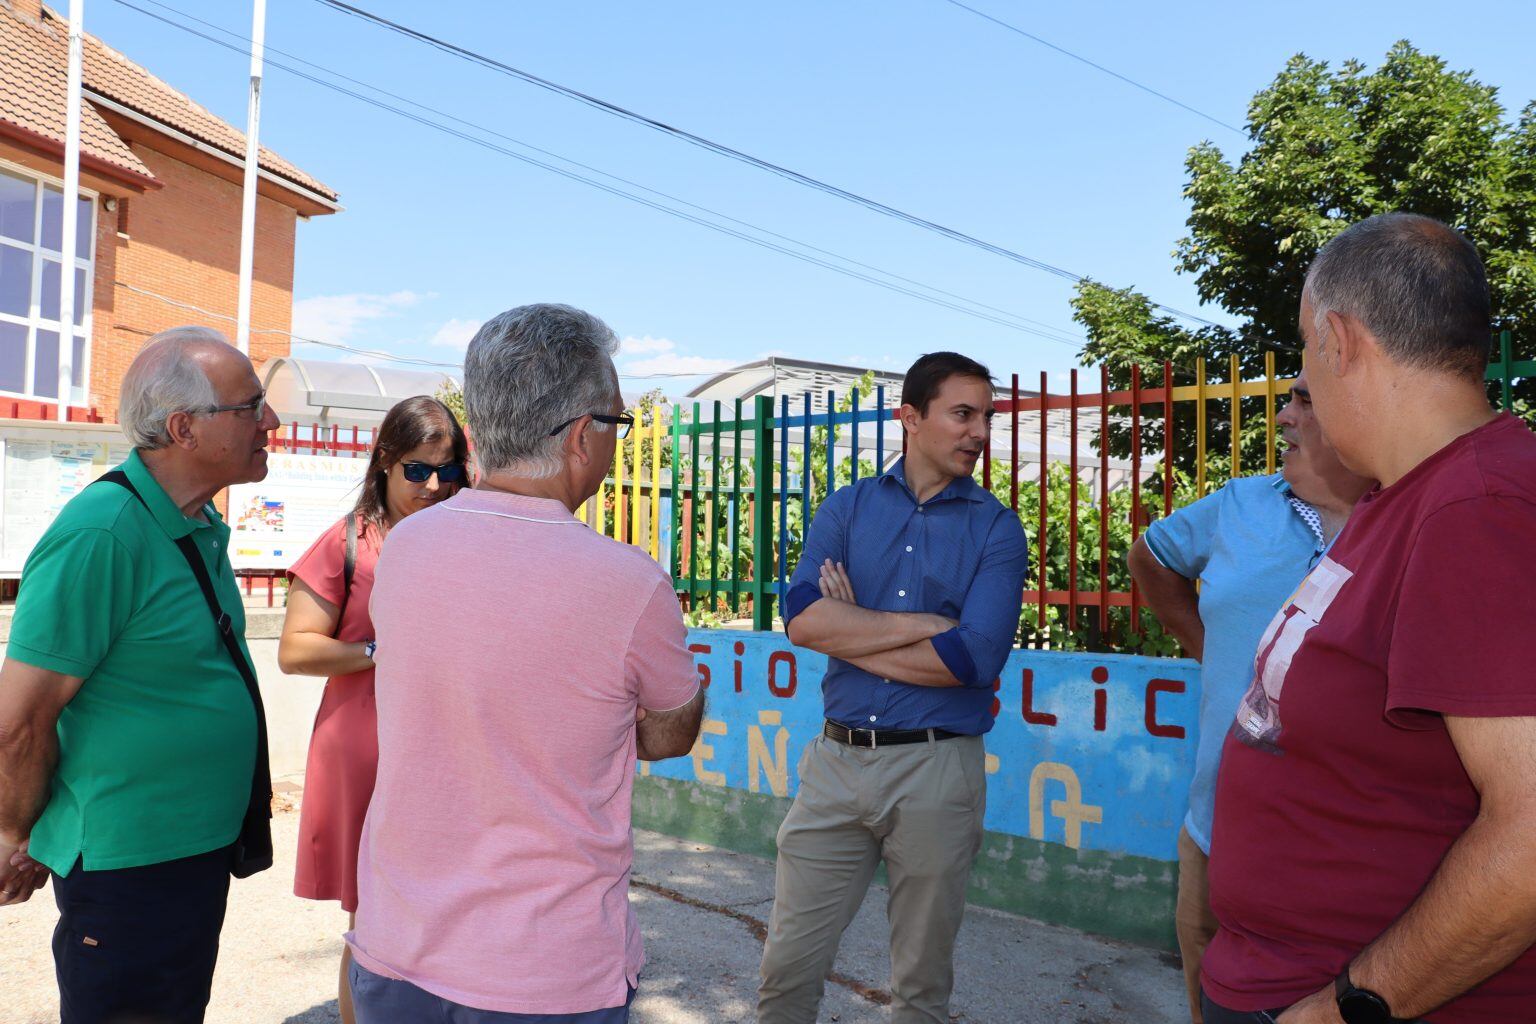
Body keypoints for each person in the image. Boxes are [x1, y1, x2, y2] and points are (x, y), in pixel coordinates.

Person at [1202, 213, 1536, 1024]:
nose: (1304, 388)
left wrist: (1347, 1007)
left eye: (1307, 353)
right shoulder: (1403, 494)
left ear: (1340, 340)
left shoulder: (1477, 509)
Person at [346, 303, 704, 1022]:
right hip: (545, 975)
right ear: (581, 437)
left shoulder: (407, 549)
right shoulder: (630, 584)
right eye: (617, 423)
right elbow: (668, 733)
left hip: (397, 947)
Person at [0, 325, 280, 1023]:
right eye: (250, 407)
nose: (270, 421)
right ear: (185, 428)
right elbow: (18, 720)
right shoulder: (103, 533)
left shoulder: (195, 522)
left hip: (186, 851)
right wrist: (14, 837)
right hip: (129, 867)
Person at [757, 351, 1030, 1024]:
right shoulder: (848, 509)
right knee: (787, 967)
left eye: (986, 417)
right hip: (835, 766)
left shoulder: (997, 528)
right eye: (962, 414)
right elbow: (803, 619)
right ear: (910, 418)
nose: (979, 433)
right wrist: (923, 627)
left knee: (920, 987)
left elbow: (973, 659)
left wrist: (853, 631)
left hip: (937, 771)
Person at [1128, 370, 1372, 1024]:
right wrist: (1209, 648)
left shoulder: (1406, 515)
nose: (1284, 418)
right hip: (1216, 826)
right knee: (1211, 984)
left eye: (1304, 400)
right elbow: (1149, 558)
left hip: (1348, 848)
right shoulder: (1240, 503)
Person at [277, 395, 468, 1024]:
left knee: (452, 904)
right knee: (373, 913)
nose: (434, 485)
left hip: (449, 746)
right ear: (384, 460)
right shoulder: (346, 543)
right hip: (366, 744)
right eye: (418, 469)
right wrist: (382, 649)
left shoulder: (465, 536)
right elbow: (295, 650)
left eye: (448, 470)